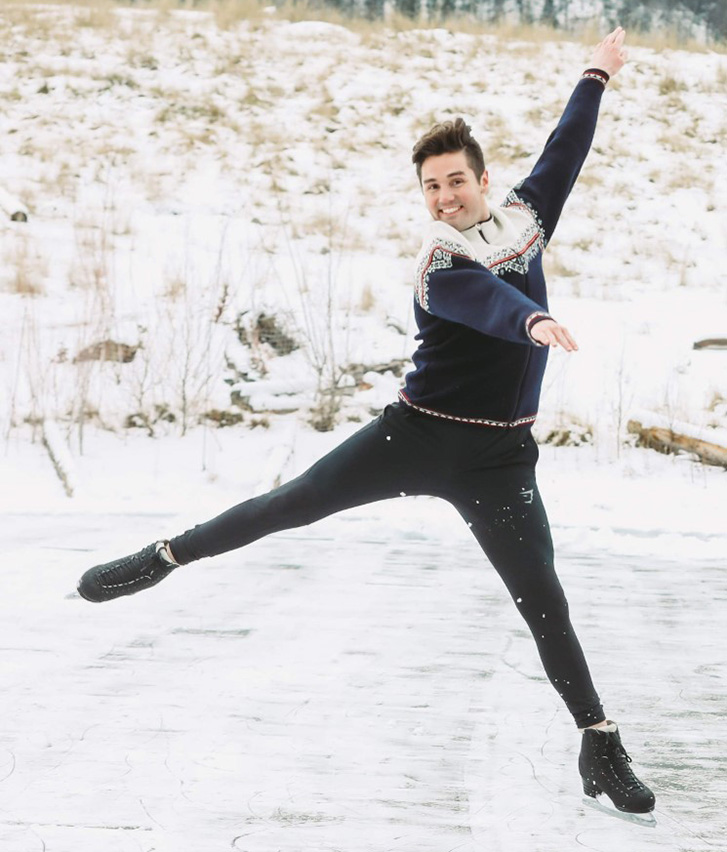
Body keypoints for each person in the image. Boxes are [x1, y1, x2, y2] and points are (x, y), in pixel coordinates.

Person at [78, 28, 655, 819]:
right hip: (414, 436)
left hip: (499, 460)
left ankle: (599, 743)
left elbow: (563, 153)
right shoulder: (439, 265)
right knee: (286, 506)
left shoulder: (525, 219)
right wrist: (532, 324)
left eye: (455, 182)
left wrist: (595, 74)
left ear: (482, 180)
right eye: (430, 187)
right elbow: (488, 305)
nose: (444, 197)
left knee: (542, 596)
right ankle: (165, 554)